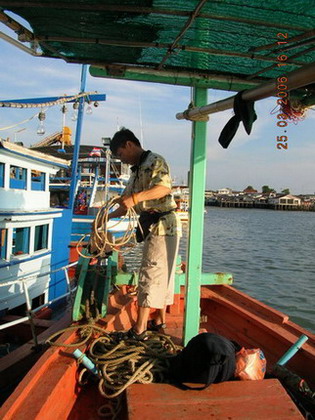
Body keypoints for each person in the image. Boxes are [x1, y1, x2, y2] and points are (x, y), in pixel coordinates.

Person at [108, 128, 182, 340]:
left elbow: (163, 188)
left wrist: (136, 198)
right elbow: (126, 203)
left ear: (129, 145)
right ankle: (159, 320)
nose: (122, 160)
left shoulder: (155, 161)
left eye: (121, 154)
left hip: (163, 225)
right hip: (153, 227)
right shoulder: (136, 171)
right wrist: (107, 216)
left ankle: (139, 331)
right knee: (162, 274)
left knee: (151, 274)